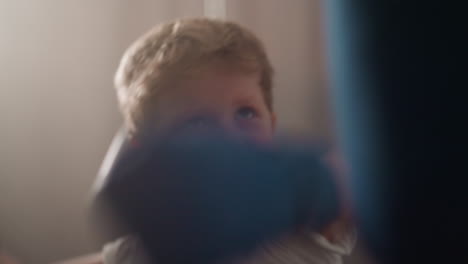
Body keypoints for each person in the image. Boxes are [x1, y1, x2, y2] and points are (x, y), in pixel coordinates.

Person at [64, 17, 355, 264]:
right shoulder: (150, 246)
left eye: (246, 113)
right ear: (150, 152)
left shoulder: (304, 224)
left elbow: (366, 185)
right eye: (198, 122)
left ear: (272, 124)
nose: (229, 136)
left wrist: (316, 182)